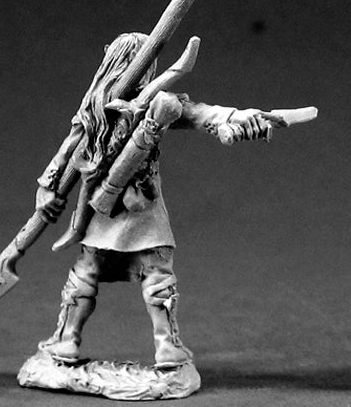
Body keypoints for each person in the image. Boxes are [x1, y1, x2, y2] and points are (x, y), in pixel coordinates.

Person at [35, 32, 270, 369]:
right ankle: (67, 341)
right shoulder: (95, 108)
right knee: (96, 272)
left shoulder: (157, 103)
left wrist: (234, 118)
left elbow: (201, 114)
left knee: (138, 274)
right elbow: (69, 149)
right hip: (105, 203)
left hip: (138, 202)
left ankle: (162, 347)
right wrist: (48, 186)